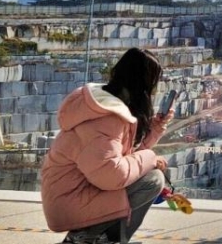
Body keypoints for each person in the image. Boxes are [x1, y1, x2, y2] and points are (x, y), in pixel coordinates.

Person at [41, 48, 174, 244]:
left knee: (150, 176)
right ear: (142, 84)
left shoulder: (105, 105)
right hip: (71, 200)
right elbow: (112, 176)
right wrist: (151, 158)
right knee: (152, 180)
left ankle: (100, 237)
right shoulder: (106, 119)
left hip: (74, 193)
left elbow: (121, 159)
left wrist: (155, 127)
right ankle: (87, 237)